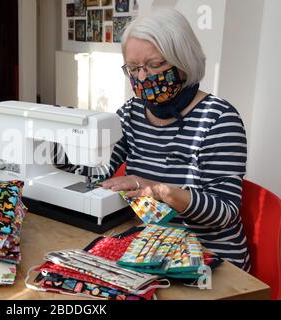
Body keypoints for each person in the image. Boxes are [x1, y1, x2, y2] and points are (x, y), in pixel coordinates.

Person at [55, 9, 250, 271]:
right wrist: (55, 143)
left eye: (155, 65)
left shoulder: (219, 119)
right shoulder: (131, 113)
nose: (143, 78)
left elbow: (224, 212)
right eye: (134, 68)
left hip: (211, 258)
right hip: (151, 247)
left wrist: (160, 191)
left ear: (184, 61)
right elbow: (96, 171)